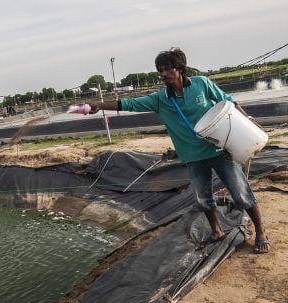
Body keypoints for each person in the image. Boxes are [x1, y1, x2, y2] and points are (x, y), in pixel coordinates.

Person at [86, 47, 269, 253]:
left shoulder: (201, 83)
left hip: (219, 150)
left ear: (179, 69)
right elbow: (128, 103)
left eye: (168, 69)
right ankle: (217, 231)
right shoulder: (160, 99)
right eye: (160, 70)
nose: (163, 74)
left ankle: (261, 232)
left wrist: (251, 124)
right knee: (203, 198)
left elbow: (228, 103)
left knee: (241, 193)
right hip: (192, 157)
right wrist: (99, 105)